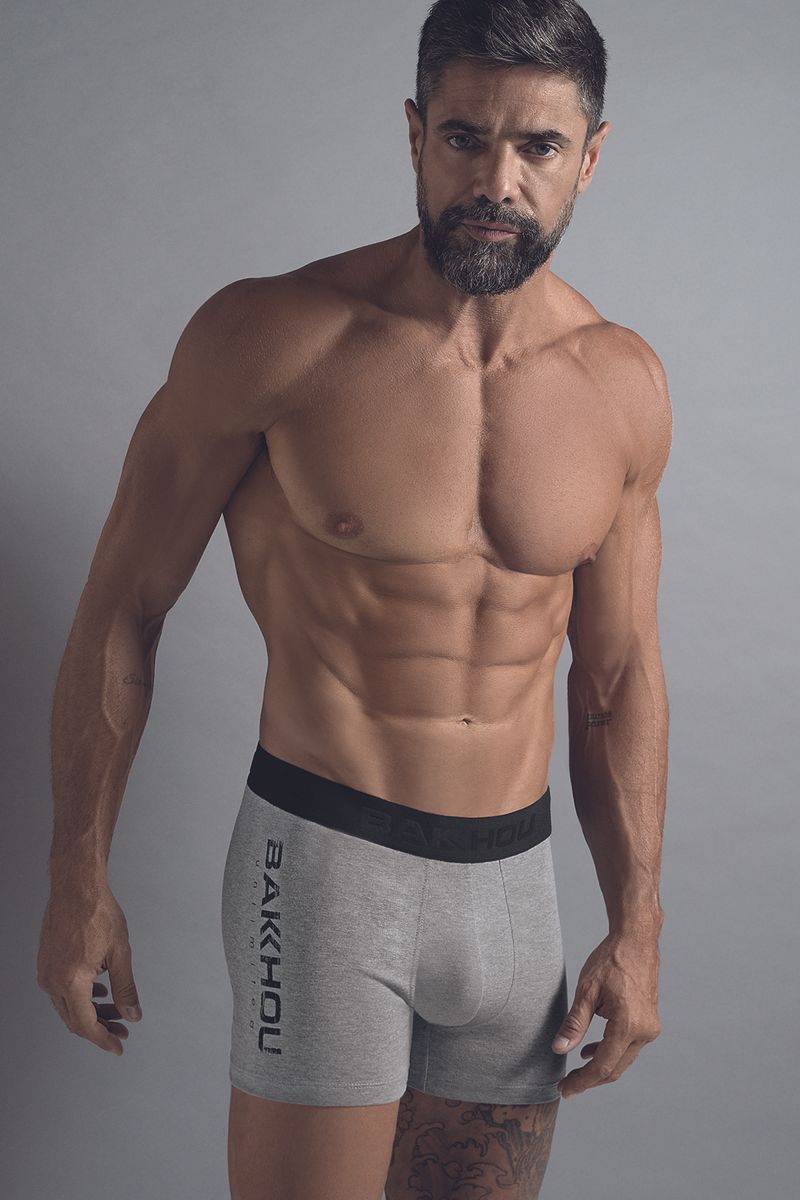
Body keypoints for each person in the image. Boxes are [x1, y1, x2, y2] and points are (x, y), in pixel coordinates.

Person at [36, 1, 672, 1197]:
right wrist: (78, 876)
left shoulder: (620, 385)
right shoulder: (273, 338)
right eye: (464, 136)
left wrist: (636, 924)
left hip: (514, 892)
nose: (495, 181)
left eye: (536, 146)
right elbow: (124, 606)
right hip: (324, 871)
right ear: (415, 134)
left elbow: (616, 678)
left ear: (588, 157)